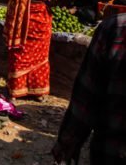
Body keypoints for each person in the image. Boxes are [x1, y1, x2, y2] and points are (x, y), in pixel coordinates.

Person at [3, 0, 80, 100]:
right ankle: (38, 92)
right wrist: (54, 0)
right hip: (41, 22)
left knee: (19, 54)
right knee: (40, 57)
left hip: (22, 22)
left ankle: (15, 91)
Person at [52, 14, 126, 164]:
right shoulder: (115, 28)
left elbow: (86, 97)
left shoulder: (115, 28)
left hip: (112, 150)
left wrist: (68, 141)